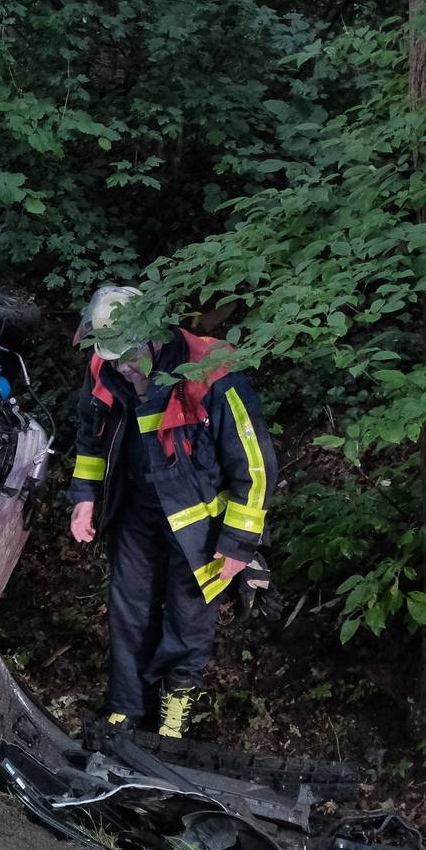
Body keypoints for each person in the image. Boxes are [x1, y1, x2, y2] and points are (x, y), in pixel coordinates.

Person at [68, 284, 276, 738]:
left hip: (200, 525)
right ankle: (125, 709)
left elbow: (254, 465)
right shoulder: (106, 367)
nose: (122, 367)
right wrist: (84, 496)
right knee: (129, 610)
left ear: (154, 338)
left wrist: (240, 543)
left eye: (129, 356)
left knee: (188, 618)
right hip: (136, 511)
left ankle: (173, 719)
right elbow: (92, 436)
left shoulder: (212, 372)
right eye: (115, 357)